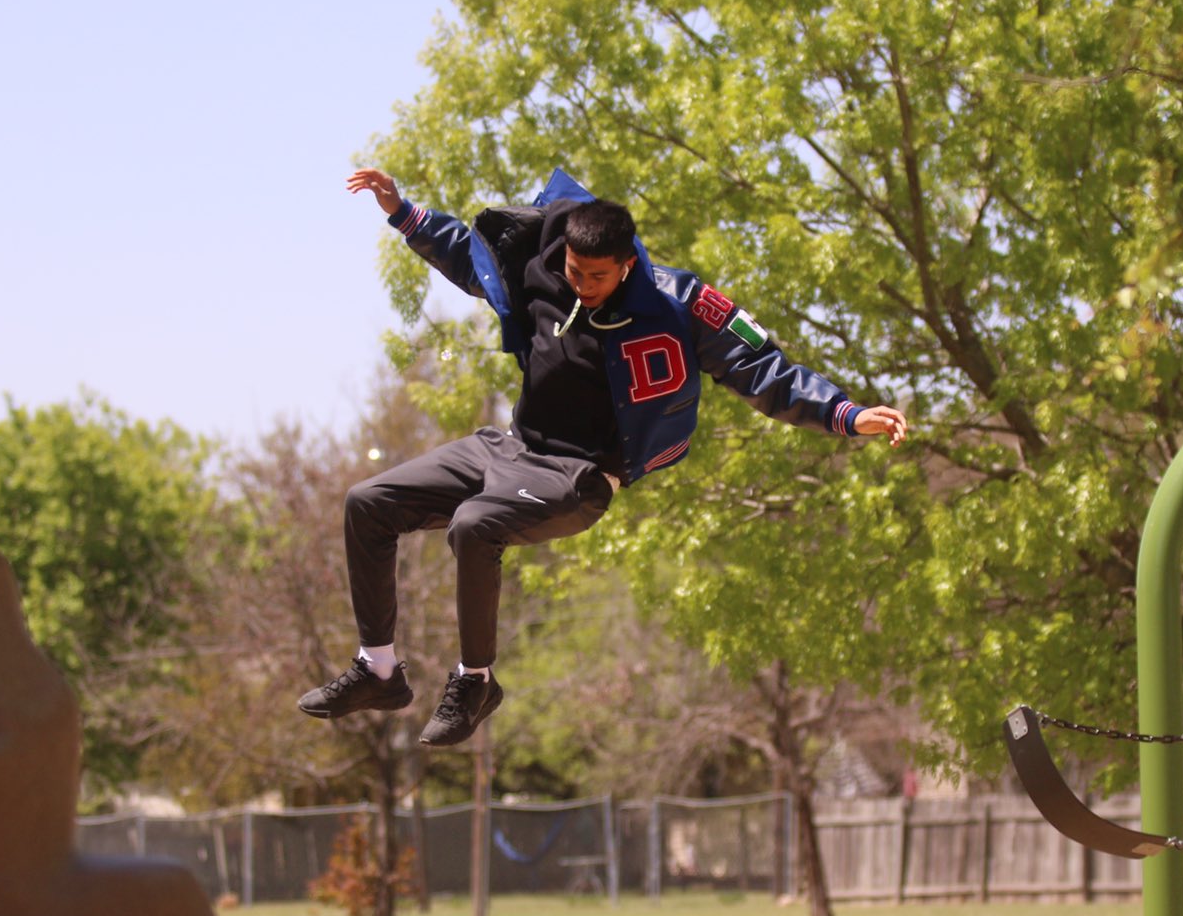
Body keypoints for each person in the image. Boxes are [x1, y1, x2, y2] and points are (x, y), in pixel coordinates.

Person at [299, 166, 908, 747]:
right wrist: (403, 212)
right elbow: (469, 258)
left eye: (597, 277)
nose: (583, 287)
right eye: (575, 271)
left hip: (580, 476)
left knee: (473, 525)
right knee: (368, 503)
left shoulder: (681, 303)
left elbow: (762, 367)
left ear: (628, 264)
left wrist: (845, 413)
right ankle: (379, 670)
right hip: (512, 447)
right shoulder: (541, 263)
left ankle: (476, 681)